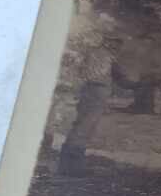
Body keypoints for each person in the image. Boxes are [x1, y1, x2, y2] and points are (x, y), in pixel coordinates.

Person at [58, 34, 138, 176]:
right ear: (109, 43)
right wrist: (139, 85)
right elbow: (121, 79)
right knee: (83, 129)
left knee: (80, 127)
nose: (118, 47)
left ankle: (67, 166)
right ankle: (73, 168)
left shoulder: (92, 54)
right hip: (96, 94)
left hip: (87, 93)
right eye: (116, 44)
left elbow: (80, 73)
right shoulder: (108, 57)